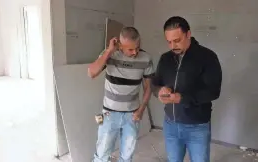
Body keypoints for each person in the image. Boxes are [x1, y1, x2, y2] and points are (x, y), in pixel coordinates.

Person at [152, 16, 222, 162]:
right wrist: (159, 91)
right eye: (169, 42)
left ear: (188, 34)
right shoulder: (165, 58)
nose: (172, 46)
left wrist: (182, 98)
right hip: (170, 124)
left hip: (197, 127)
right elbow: (155, 83)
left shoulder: (207, 57)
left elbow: (213, 91)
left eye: (177, 40)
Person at [88, 27, 154, 162]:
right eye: (130, 49)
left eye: (137, 47)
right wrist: (108, 51)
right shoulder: (111, 55)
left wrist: (141, 110)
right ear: (120, 45)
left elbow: (148, 87)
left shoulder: (146, 59)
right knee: (102, 155)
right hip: (109, 115)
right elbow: (91, 73)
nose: (135, 52)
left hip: (132, 116)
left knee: (127, 157)